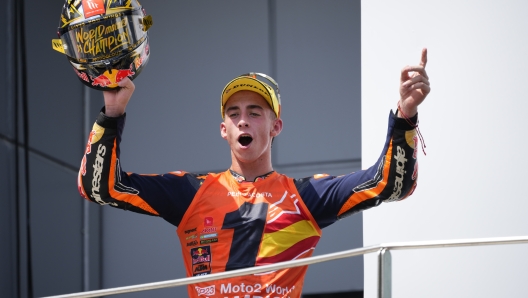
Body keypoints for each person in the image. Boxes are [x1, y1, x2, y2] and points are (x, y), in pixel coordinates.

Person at [78, 48, 430, 298]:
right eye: (233, 113)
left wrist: (405, 114)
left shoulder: (305, 197)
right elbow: (101, 188)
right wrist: (112, 111)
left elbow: (390, 185)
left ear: (276, 126)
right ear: (223, 129)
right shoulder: (191, 193)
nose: (243, 119)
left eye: (255, 112)